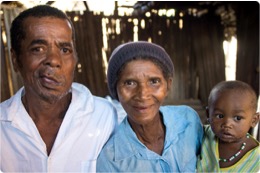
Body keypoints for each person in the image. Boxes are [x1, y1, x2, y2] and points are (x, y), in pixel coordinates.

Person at [0, 5, 117, 172]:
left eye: (65, 49)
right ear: (16, 60)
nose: (54, 60)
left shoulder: (104, 117)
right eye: (38, 49)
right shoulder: (2, 128)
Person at [96, 41, 203, 172]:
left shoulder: (188, 121)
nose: (142, 94)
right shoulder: (110, 161)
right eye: (129, 83)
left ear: (168, 85)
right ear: (116, 90)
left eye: (154, 81)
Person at [196, 80, 260, 172]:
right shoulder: (201, 136)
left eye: (238, 118)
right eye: (220, 116)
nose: (227, 124)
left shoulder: (256, 160)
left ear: (254, 120)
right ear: (208, 114)